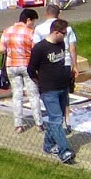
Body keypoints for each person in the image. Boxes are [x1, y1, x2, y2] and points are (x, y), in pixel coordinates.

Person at [31, 17, 76, 165]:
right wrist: (40, 84)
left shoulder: (61, 43)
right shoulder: (40, 48)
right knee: (57, 120)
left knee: (57, 118)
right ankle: (65, 151)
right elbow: (31, 69)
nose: (65, 36)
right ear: (56, 32)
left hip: (63, 87)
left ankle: (48, 145)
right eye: (63, 33)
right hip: (49, 90)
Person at [0, 7, 40, 133]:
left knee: (17, 95)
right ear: (28, 20)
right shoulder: (30, 33)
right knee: (33, 95)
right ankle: (39, 123)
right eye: (33, 22)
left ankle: (18, 124)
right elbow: (36, 50)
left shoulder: (7, 31)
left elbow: (1, 49)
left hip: (11, 65)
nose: (33, 25)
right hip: (27, 66)